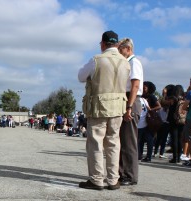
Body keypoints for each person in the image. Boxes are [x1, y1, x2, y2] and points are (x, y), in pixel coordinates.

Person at [77, 30, 130, 190]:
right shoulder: (126, 62)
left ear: (103, 43)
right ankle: (113, 180)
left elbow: (80, 76)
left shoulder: (97, 60)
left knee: (96, 143)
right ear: (117, 44)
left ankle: (96, 179)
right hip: (118, 107)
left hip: (99, 106)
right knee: (114, 143)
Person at [118, 37, 143, 186]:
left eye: (121, 49)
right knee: (123, 139)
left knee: (129, 141)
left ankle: (130, 175)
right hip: (127, 99)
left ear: (128, 49)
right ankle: (122, 172)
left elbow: (135, 85)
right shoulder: (127, 62)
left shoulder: (134, 62)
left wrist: (129, 106)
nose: (119, 52)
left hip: (131, 100)